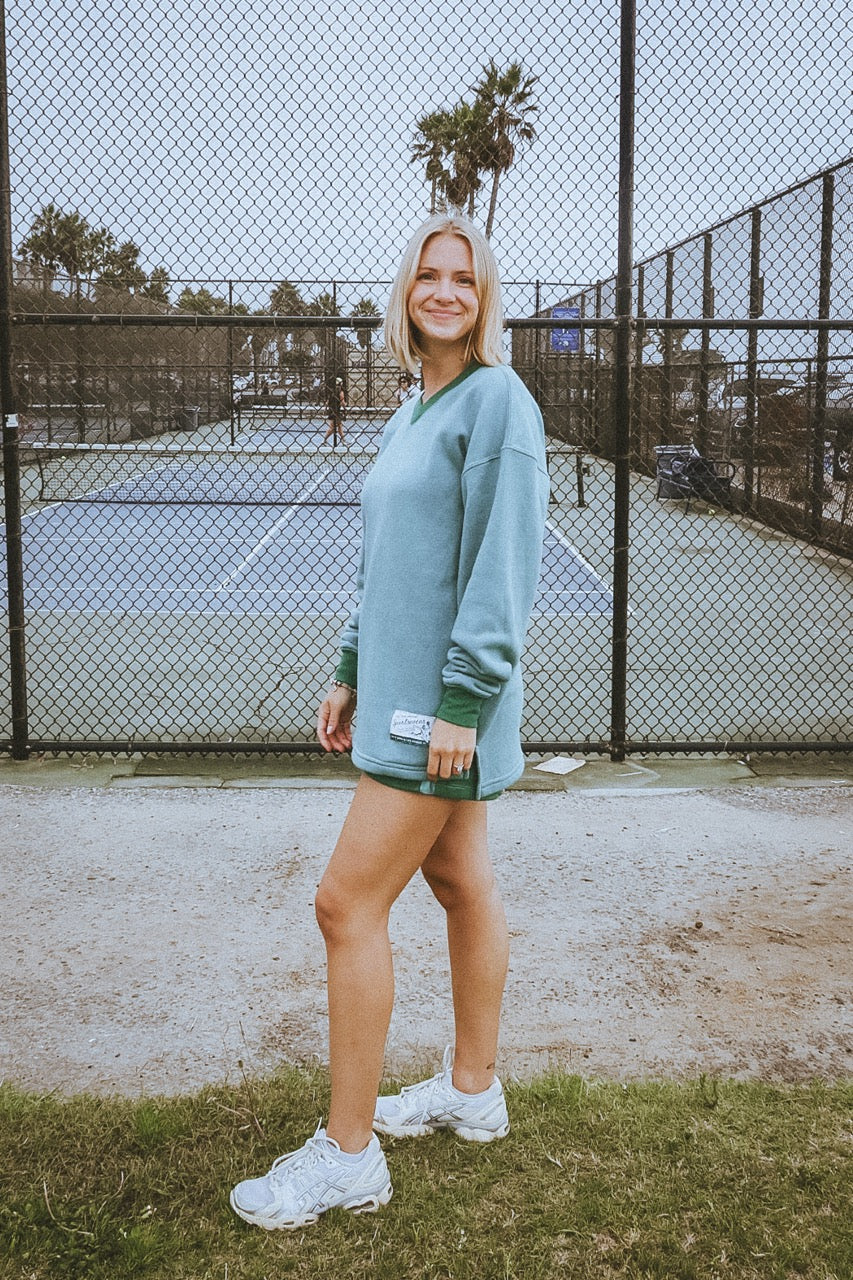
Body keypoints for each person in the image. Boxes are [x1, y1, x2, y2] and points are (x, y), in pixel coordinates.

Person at [230, 215, 549, 1232]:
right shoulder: (414, 408)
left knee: (342, 902)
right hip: (403, 693)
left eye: (464, 276)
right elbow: (386, 567)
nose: (445, 289)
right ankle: (471, 1088)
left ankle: (349, 1155)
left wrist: (460, 700)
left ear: (483, 296)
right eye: (429, 273)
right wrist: (348, 666)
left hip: (438, 714)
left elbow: (502, 567)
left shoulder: (497, 400)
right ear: (407, 290)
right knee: (460, 880)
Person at [324, 376, 347, 444]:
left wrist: (325, 409)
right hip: (336, 411)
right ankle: (324, 440)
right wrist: (345, 407)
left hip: (331, 410)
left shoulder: (332, 391)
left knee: (339, 425)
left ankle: (343, 440)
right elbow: (342, 402)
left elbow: (327, 402)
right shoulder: (341, 392)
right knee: (332, 427)